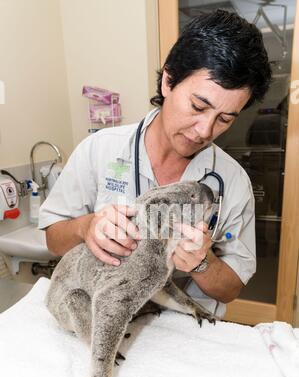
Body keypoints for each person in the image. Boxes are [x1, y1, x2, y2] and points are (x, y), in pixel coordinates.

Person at [39, 9, 272, 318]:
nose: (204, 130)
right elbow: (53, 239)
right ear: (168, 80)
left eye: (225, 119)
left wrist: (203, 262)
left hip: (183, 325)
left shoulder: (234, 182)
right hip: (110, 311)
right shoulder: (100, 150)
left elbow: (231, 289)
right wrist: (86, 228)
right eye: (198, 106)